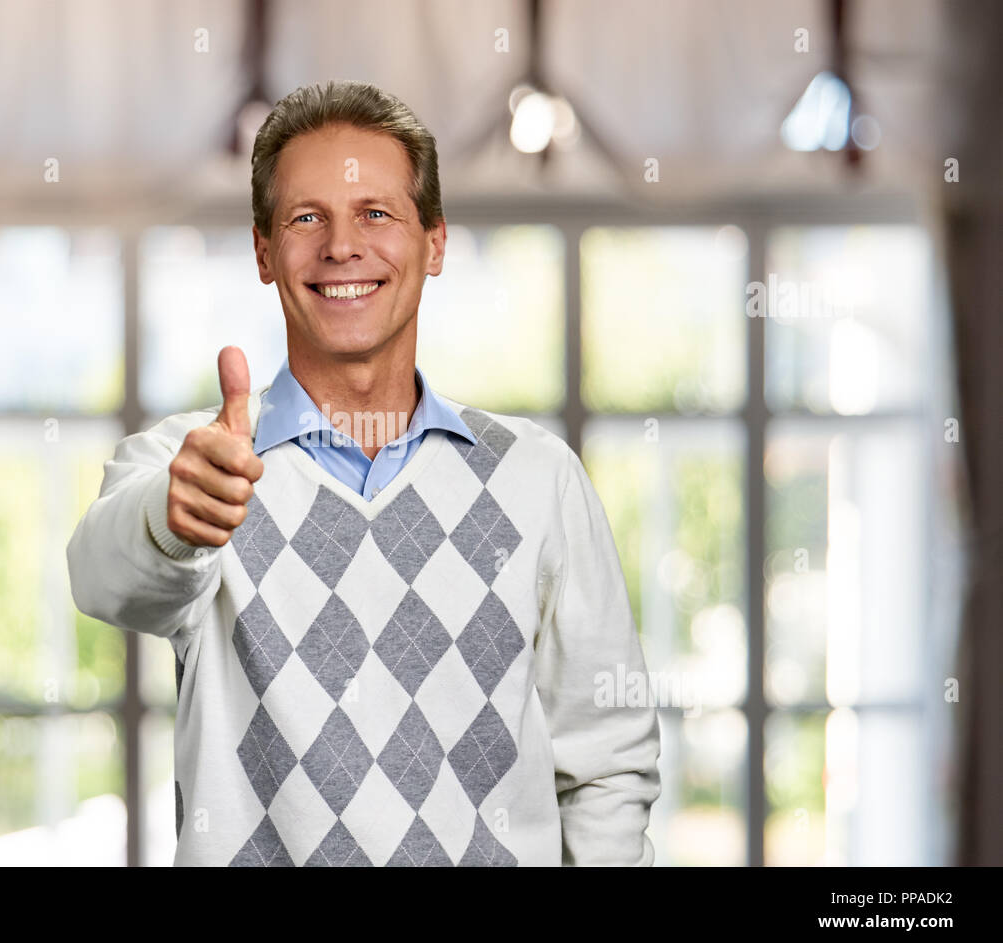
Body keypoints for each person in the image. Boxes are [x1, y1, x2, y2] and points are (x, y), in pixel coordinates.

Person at [67, 79, 661, 866]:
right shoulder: (194, 464)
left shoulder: (538, 478)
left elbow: (607, 763)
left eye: (375, 213)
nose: (342, 246)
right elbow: (101, 575)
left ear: (435, 243)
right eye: (306, 217)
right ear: (263, 251)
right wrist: (174, 523)